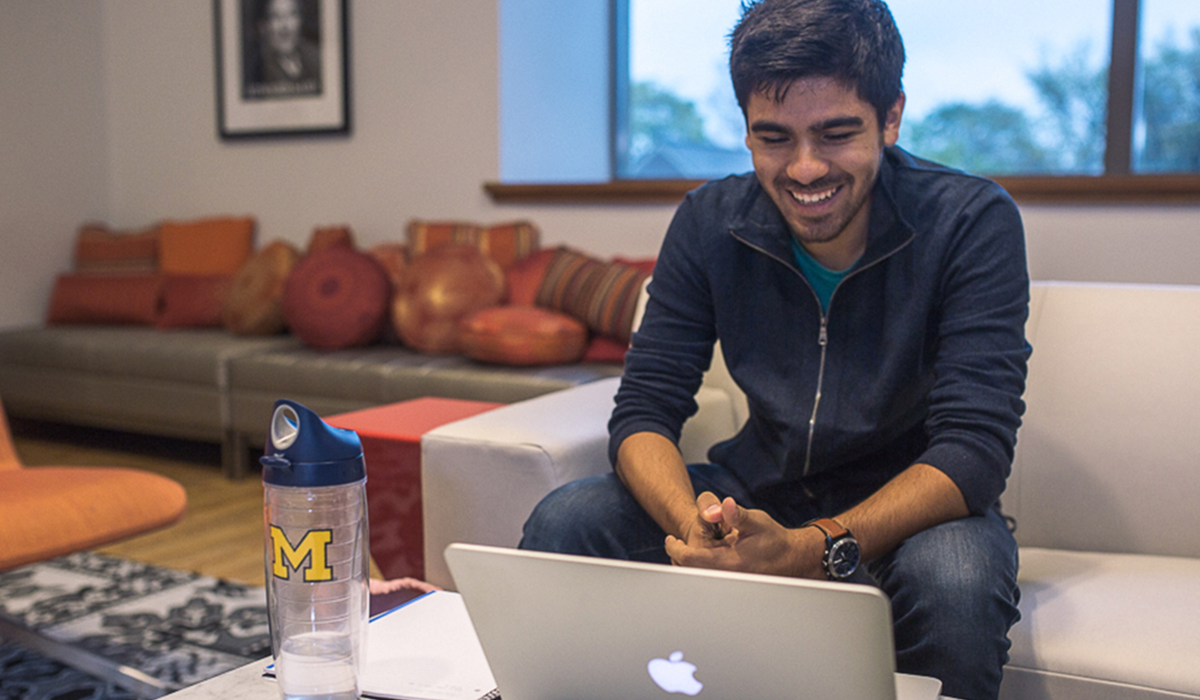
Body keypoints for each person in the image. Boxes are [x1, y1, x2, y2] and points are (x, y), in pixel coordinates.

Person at [518, 1, 1030, 698]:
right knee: (569, 519)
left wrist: (811, 547)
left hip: (910, 515)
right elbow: (643, 411)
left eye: (836, 133)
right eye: (775, 138)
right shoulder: (709, 221)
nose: (805, 168)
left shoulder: (971, 221)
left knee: (958, 581)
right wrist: (693, 531)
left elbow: (973, 450)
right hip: (756, 493)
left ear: (891, 117)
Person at [243, 0, 322, 99]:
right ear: (262, 26)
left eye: (292, 14)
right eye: (276, 17)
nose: (285, 26)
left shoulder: (317, 59)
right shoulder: (254, 69)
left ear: (300, 20)